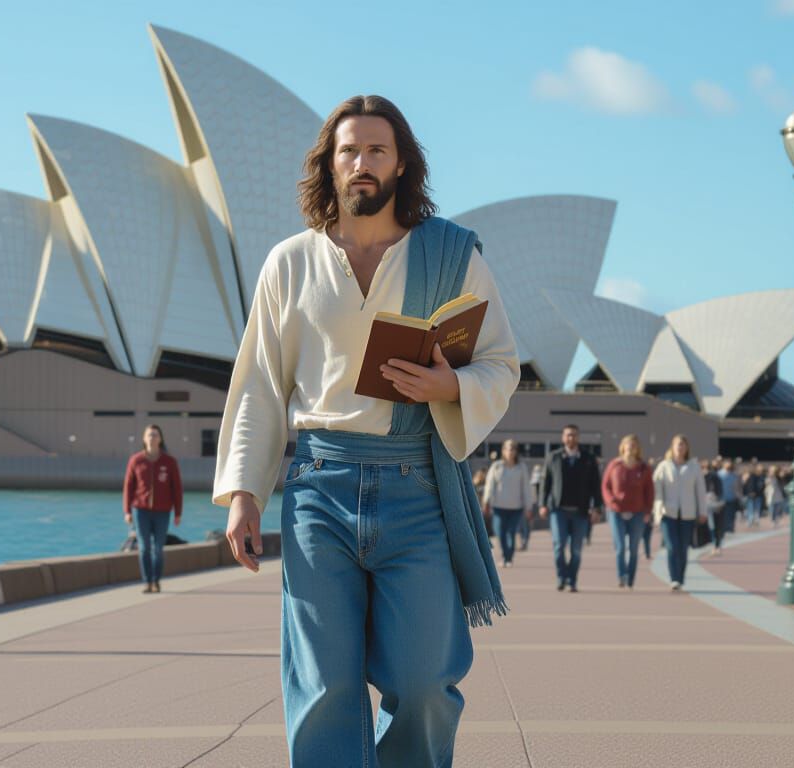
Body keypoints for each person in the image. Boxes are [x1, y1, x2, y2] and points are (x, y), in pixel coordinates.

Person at [213, 95, 519, 767]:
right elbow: (260, 383)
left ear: (402, 163)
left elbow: (502, 361)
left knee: (423, 684)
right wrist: (245, 494)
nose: (362, 163)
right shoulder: (289, 262)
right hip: (319, 488)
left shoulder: (451, 255)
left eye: (377, 150)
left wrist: (453, 387)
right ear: (328, 165)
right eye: (348, 151)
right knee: (325, 687)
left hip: (418, 489)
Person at [538, 424, 603, 592]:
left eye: (574, 435)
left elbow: (596, 485)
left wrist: (597, 508)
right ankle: (562, 577)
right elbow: (545, 483)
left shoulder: (588, 459)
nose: (571, 438)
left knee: (576, 550)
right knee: (559, 546)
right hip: (558, 510)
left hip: (580, 512)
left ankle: (572, 580)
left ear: (578, 437)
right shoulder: (553, 457)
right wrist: (542, 504)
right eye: (568, 435)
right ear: (563, 437)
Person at [123, 424, 183, 593]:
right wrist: (127, 511)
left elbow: (176, 488)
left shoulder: (169, 462)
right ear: (144, 438)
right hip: (140, 510)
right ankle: (147, 582)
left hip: (163, 511)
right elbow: (128, 486)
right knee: (144, 547)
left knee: (158, 548)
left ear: (160, 438)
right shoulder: (136, 460)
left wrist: (178, 512)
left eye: (155, 435)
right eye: (149, 435)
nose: (152, 438)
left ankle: (156, 581)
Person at [652, 435, 707, 591]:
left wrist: (702, 511)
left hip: (687, 514)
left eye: (683, 444)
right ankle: (673, 578)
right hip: (668, 512)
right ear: (672, 447)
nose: (680, 447)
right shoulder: (664, 466)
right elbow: (657, 489)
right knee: (672, 546)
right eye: (678, 444)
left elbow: (700, 491)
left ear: (687, 448)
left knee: (683, 547)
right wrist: (658, 510)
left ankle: (681, 578)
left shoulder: (694, 467)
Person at [602, 435, 654, 589]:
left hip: (637, 512)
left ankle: (631, 577)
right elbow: (605, 486)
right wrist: (610, 500)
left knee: (633, 548)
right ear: (622, 447)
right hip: (616, 511)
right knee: (619, 547)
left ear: (638, 448)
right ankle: (621, 575)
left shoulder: (644, 468)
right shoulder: (614, 465)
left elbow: (649, 491)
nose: (630, 448)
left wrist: (648, 510)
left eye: (633, 445)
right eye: (628, 445)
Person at [482, 439, 531, 568]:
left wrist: (528, 506)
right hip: (498, 507)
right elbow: (489, 485)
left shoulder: (521, 467)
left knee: (511, 533)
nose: (510, 452)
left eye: (513, 449)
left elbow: (526, 487)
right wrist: (486, 501)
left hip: (516, 507)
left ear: (516, 452)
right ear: (503, 451)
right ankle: (505, 555)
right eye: (508, 449)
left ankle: (509, 557)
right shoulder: (497, 466)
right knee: (500, 533)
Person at [713, 460, 740, 553]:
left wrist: (739, 497)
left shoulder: (734, 476)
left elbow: (736, 487)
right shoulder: (718, 474)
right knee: (720, 520)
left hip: (731, 500)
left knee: (730, 517)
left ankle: (727, 530)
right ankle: (721, 535)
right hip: (720, 501)